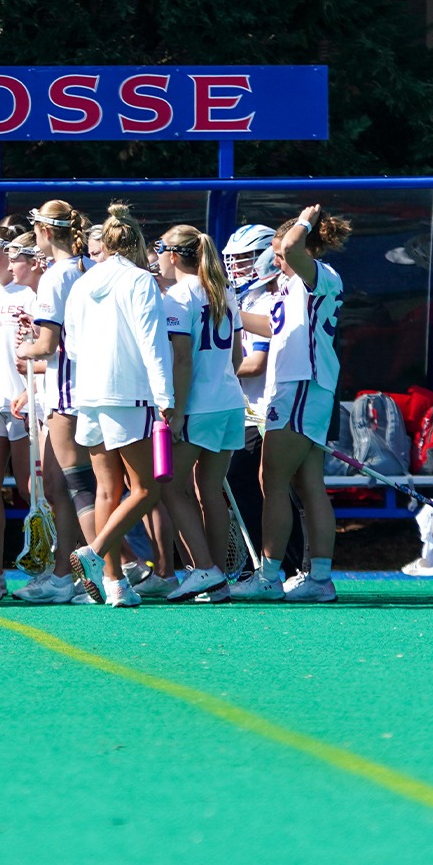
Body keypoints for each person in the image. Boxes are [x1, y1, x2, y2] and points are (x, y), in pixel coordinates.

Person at [232, 205, 352, 603]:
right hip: (301, 387)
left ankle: (268, 574)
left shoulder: (317, 273)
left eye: (278, 251)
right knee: (307, 483)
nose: (275, 257)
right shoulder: (290, 286)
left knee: (273, 479)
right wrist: (231, 311)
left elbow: (295, 246)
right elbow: (273, 326)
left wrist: (303, 221)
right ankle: (318, 576)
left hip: (302, 385)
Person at [63, 203, 175, 609]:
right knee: (145, 489)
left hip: (89, 393)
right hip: (127, 394)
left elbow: (71, 346)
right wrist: (166, 398)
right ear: (136, 243)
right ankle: (96, 554)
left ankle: (114, 583)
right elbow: (152, 344)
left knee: (109, 489)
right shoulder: (139, 281)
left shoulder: (82, 284)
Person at [153, 224, 247, 603]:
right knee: (209, 490)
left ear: (173, 255)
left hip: (199, 406)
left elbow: (180, 360)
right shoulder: (223, 290)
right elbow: (237, 357)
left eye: (160, 248)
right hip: (229, 401)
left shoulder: (178, 296)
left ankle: (204, 569)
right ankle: (218, 576)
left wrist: (175, 411)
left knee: (170, 487)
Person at [11, 201, 94, 604]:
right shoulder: (90, 268)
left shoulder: (57, 275)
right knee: (63, 486)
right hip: (93, 388)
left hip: (69, 393)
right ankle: (69, 570)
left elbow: (46, 345)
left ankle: (92, 574)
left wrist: (26, 348)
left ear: (45, 232)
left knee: (79, 488)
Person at [222, 224, 307, 570]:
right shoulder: (247, 299)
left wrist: (212, 371)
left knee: (267, 491)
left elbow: (255, 363)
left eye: (243, 261)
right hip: (247, 413)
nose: (235, 269)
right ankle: (257, 565)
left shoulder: (271, 300)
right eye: (232, 261)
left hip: (263, 413)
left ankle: (284, 566)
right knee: (245, 491)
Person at [0, 227, 35, 577]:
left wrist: (32, 390)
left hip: (23, 401)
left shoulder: (29, 292)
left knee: (31, 487)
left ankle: (59, 563)